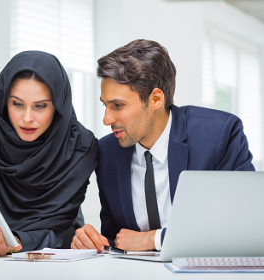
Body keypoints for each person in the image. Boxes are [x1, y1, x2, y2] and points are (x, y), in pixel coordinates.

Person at [71, 39, 255, 253]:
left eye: (118, 105)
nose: (106, 119)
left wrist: (157, 239)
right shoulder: (107, 151)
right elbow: (118, 239)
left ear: (156, 99)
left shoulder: (219, 135)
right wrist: (92, 243)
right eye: (105, 105)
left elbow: (244, 223)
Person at [0, 51, 98, 257]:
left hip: (56, 265)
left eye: (40, 106)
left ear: (59, 106)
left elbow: (63, 228)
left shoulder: (80, 148)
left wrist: (16, 242)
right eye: (17, 104)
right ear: (4, 101)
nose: (27, 118)